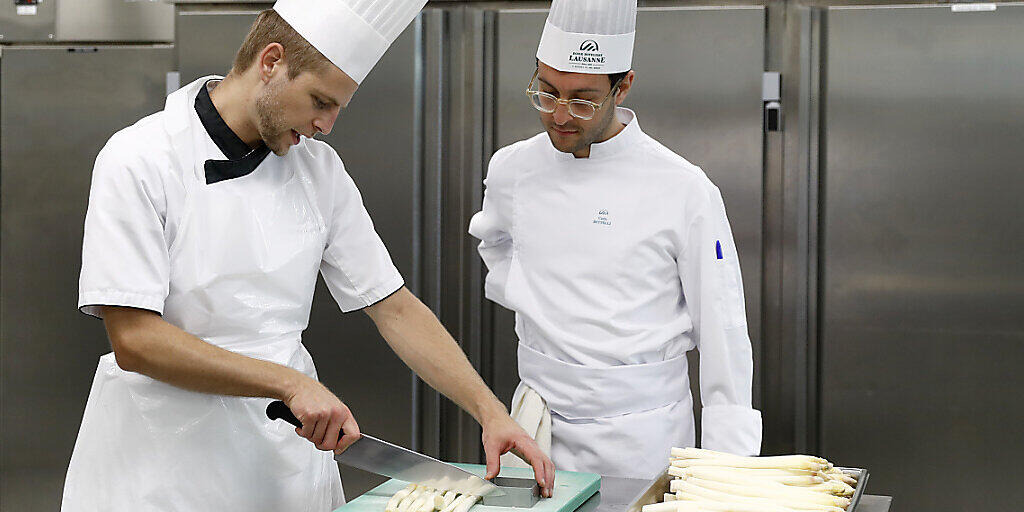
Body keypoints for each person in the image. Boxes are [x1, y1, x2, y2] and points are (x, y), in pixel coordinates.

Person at [63, 1, 553, 510]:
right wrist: (288, 382)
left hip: (282, 453)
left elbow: (394, 306)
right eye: (320, 100)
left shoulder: (319, 171)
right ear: (271, 62)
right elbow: (136, 339)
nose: (327, 124)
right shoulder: (139, 158)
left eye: (338, 106)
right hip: (159, 463)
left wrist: (492, 413)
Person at [468, 0, 762, 480]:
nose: (560, 115)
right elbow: (493, 242)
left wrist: (728, 469)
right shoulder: (512, 169)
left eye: (583, 99)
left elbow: (723, 330)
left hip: (643, 437)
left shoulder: (684, 189)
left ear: (622, 86)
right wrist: (536, 298)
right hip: (536, 427)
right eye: (547, 92)